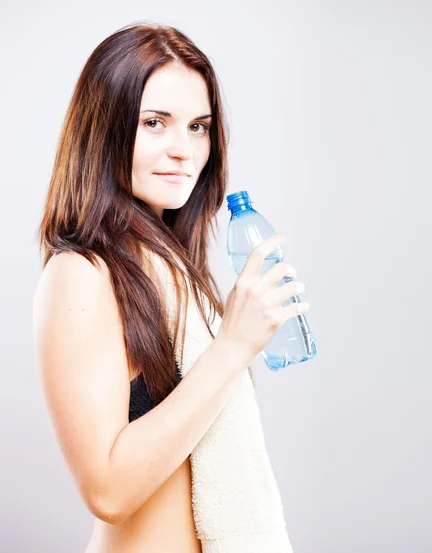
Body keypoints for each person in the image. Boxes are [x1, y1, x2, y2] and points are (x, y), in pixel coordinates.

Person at [31, 22, 308, 553]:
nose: (184, 149)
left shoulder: (176, 272)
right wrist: (231, 347)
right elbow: (108, 490)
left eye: (199, 127)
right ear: (104, 128)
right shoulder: (81, 273)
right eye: (155, 122)